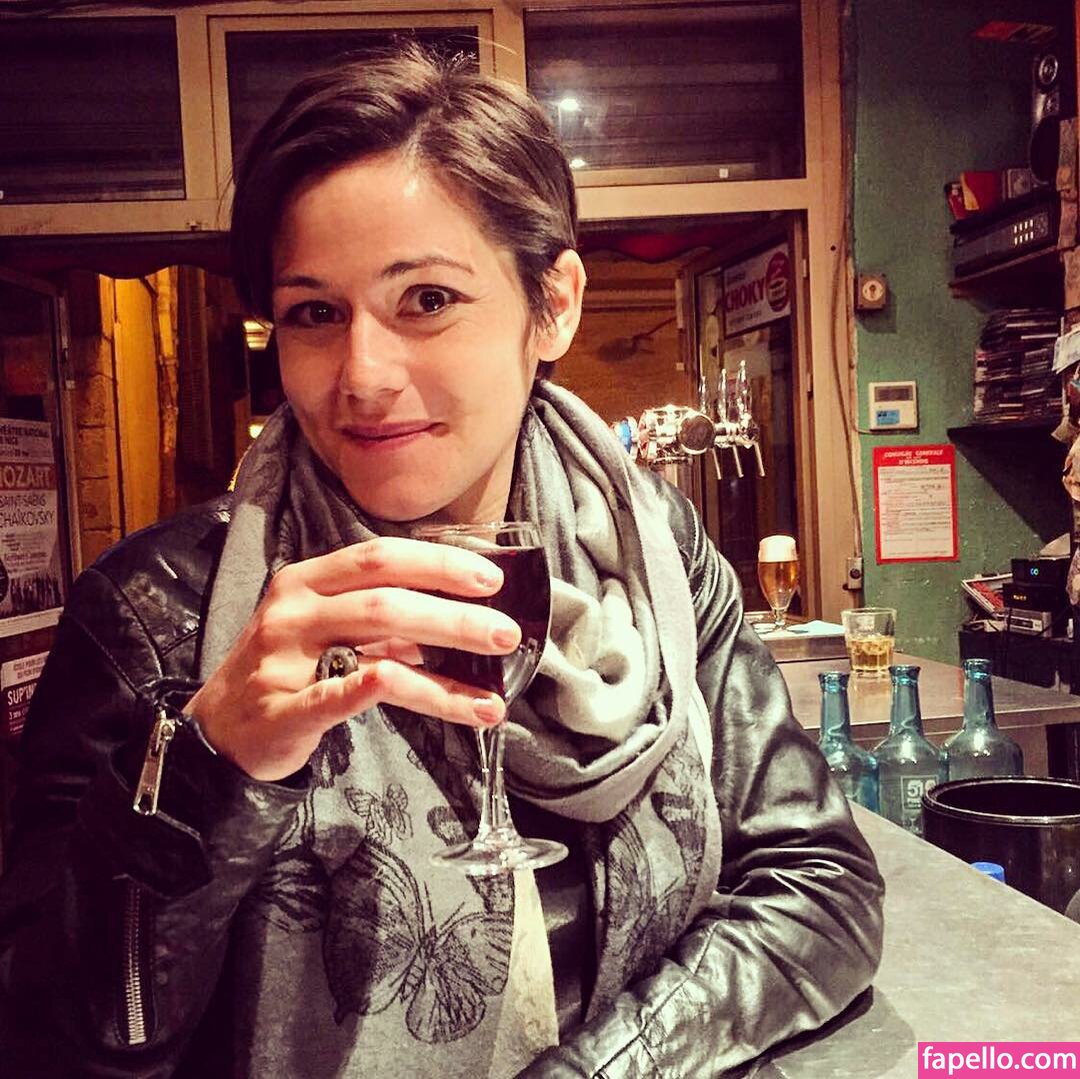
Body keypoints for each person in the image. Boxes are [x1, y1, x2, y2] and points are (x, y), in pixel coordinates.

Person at [0, 44, 883, 1078]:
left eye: (426, 299)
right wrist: (209, 763)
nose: (364, 375)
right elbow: (50, 1046)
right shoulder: (155, 613)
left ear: (554, 305)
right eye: (314, 313)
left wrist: (602, 1067)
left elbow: (820, 884)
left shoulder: (654, 557)